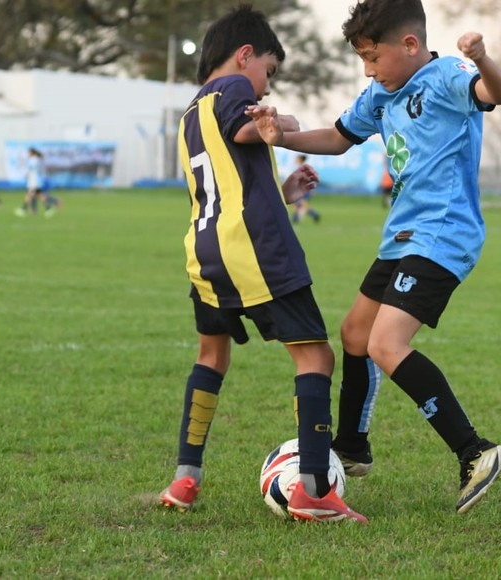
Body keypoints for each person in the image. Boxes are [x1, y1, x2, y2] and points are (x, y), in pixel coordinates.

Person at [248, 0, 501, 514]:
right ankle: (352, 447)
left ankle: (475, 451)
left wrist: (481, 57)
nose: (367, 70)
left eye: (373, 57)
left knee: (386, 345)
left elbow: (495, 93)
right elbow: (339, 137)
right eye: (362, 60)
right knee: (354, 334)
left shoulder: (447, 75)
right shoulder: (381, 92)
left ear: (409, 45)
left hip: (442, 233)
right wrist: (282, 138)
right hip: (401, 236)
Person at [157, 5, 366, 524]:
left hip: (205, 254)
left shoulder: (188, 116)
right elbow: (247, 128)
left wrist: (282, 192)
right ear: (244, 55)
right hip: (257, 250)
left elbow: (227, 181)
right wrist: (281, 125)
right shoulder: (233, 91)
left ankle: (186, 477)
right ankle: (315, 489)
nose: (266, 89)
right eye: (268, 73)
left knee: (211, 356)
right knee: (316, 358)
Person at [15, 148, 62, 217]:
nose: (27, 154)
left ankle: (23, 209)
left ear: (32, 153)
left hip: (34, 181)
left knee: (30, 194)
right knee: (39, 195)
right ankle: (49, 207)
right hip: (34, 180)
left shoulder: (34, 160)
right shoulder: (36, 160)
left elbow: (31, 170)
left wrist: (21, 163)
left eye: (28, 153)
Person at [291, 154, 322, 224]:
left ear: (300, 160)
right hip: (298, 189)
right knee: (296, 203)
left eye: (296, 158)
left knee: (302, 203)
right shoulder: (298, 167)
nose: (295, 160)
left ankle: (314, 214)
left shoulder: (304, 168)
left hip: (304, 189)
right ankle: (295, 218)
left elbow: (310, 178)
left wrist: (312, 190)